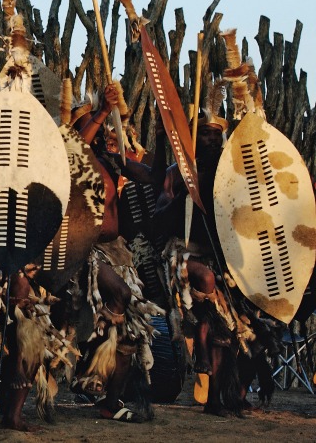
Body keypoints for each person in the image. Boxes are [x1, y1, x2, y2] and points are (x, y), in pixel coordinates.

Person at [67, 82, 165, 423]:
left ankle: (112, 399)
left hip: (117, 252)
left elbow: (154, 177)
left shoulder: (111, 160)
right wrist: (104, 110)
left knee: (133, 330)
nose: (94, 128)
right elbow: (74, 146)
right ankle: (90, 349)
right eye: (88, 121)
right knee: (121, 296)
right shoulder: (70, 159)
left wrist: (166, 141)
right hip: (85, 252)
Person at [155, 105, 254, 417]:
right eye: (206, 135)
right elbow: (157, 220)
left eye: (217, 135)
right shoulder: (177, 174)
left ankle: (221, 397)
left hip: (216, 258)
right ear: (194, 140)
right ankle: (209, 384)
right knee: (209, 293)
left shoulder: (229, 178)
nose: (213, 141)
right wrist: (186, 194)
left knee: (232, 326)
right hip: (180, 256)